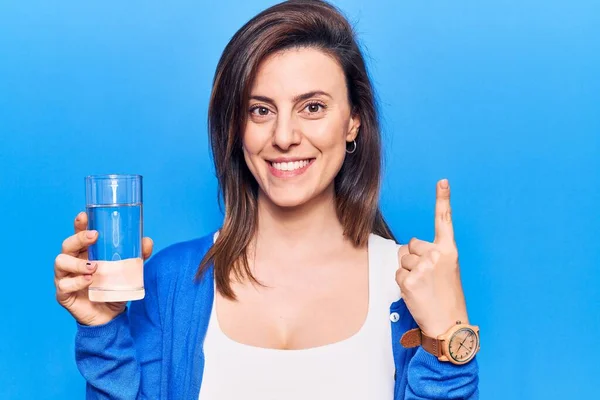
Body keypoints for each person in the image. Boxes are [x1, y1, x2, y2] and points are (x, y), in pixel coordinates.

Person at [54, 1, 480, 398]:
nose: (283, 137)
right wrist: (104, 330)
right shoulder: (171, 281)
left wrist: (448, 336)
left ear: (353, 122)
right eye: (261, 110)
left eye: (312, 107)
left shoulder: (409, 285)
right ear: (236, 128)